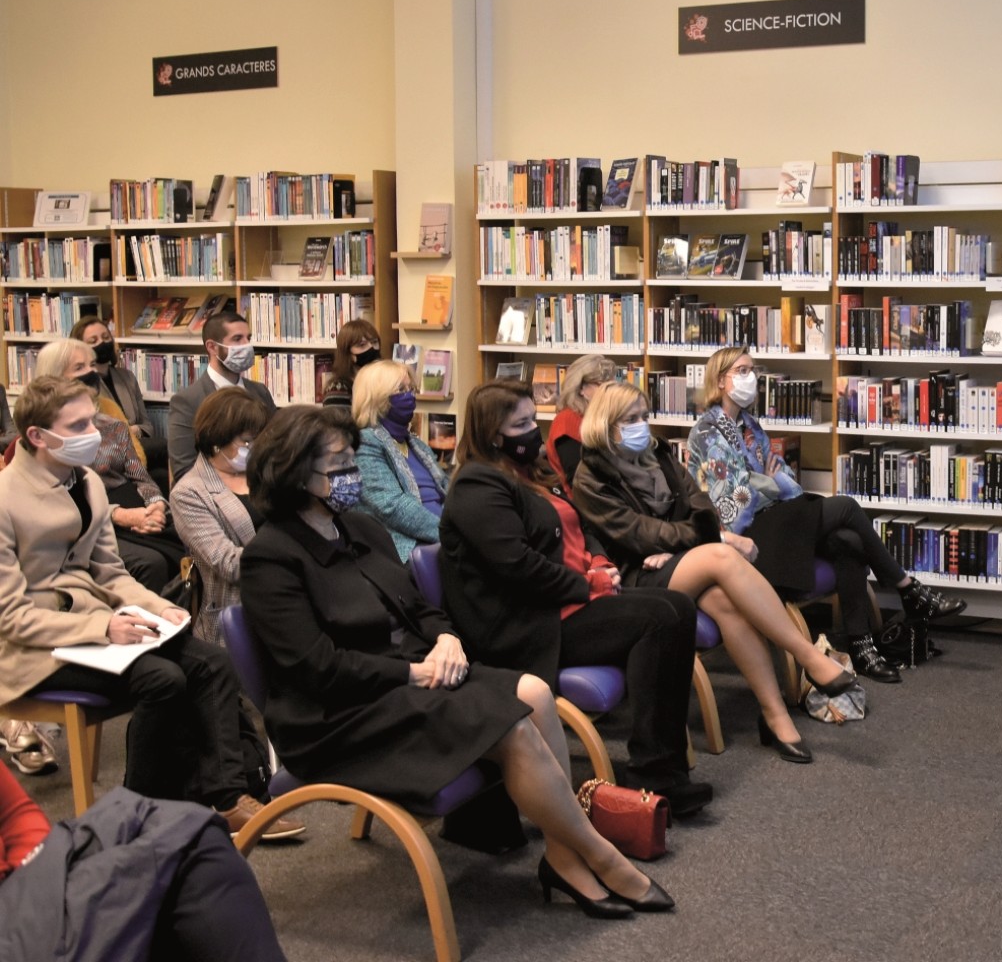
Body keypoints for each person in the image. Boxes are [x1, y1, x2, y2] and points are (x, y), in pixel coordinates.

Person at [239, 404, 672, 916]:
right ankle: (600, 856)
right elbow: (316, 667)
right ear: (295, 474)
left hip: (403, 678)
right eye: (338, 466)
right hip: (337, 717)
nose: (351, 474)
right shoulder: (271, 557)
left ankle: (562, 856)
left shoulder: (359, 528)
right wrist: (413, 671)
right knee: (510, 728)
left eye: (352, 461)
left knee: (533, 691)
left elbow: (420, 607)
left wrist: (446, 640)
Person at [0, 376, 300, 839]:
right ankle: (133, 815)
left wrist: (161, 608)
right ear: (37, 437)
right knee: (164, 679)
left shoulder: (87, 484)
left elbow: (111, 572)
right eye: (78, 425)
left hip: (94, 624)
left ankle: (226, 799)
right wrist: (104, 627)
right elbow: (11, 617)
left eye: (92, 421)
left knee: (213, 661)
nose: (93, 434)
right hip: (33, 648)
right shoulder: (5, 498)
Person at [439, 381, 711, 812]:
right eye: (522, 424)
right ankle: (658, 773)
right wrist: (587, 585)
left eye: (534, 420)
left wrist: (600, 562)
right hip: (531, 623)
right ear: (493, 434)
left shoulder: (535, 474)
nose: (534, 432)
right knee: (661, 617)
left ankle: (661, 768)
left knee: (675, 607)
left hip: (569, 603)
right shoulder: (477, 486)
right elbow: (517, 567)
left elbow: (584, 528)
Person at [571, 383, 856, 764]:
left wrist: (686, 541)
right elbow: (638, 535)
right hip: (635, 575)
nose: (642, 425)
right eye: (631, 419)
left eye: (644, 416)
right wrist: (693, 541)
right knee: (722, 558)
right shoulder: (590, 477)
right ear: (607, 425)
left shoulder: (657, 454)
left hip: (678, 559)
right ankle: (809, 657)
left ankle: (775, 716)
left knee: (724, 601)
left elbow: (701, 504)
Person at [687, 347, 967, 683]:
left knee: (845, 540)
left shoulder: (749, 425)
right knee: (845, 506)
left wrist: (769, 481)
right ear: (720, 380)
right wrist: (771, 481)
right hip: (747, 537)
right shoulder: (707, 432)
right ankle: (909, 590)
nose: (753, 377)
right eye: (744, 370)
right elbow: (735, 501)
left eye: (753, 369)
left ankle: (861, 648)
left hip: (776, 518)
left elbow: (782, 481)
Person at [0, 764, 288, 962]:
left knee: (192, 838)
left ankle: (225, 796)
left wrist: (36, 872)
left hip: (32, 880)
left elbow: (14, 813)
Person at [35, 338, 184, 593]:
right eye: (79, 367)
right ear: (55, 377)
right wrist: (121, 516)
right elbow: (60, 498)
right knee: (152, 563)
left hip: (135, 506)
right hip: (88, 521)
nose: (90, 373)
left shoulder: (112, 423)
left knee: (187, 540)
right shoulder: (47, 436)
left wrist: (156, 505)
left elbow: (140, 475)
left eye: (92, 364)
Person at [169, 387, 272, 644]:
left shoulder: (264, 472)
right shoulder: (190, 492)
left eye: (258, 439)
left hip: (285, 596)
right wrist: (290, 555)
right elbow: (227, 563)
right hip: (236, 611)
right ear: (217, 439)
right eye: (247, 441)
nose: (255, 447)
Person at [351, 359, 450, 562]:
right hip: (408, 547)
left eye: (411, 388)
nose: (410, 395)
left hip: (444, 537)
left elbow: (446, 490)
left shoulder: (415, 444)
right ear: (376, 397)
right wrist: (451, 535)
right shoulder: (365, 443)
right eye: (400, 390)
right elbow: (393, 507)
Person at [167, 311, 277, 486]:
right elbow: (184, 469)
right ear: (212, 347)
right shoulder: (187, 401)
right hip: (214, 496)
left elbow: (276, 448)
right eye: (237, 339)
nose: (246, 345)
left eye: (248, 338)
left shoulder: (260, 392)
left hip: (263, 490)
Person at [71, 314, 169, 484]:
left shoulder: (127, 377)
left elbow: (147, 426)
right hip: (109, 449)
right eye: (93, 340)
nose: (102, 343)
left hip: (136, 442)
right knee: (163, 446)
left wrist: (135, 430)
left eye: (106, 337)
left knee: (162, 474)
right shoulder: (84, 383)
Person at [546, 354, 616, 486]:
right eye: (601, 384)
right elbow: (579, 481)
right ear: (580, 388)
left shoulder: (599, 417)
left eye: (611, 384)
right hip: (583, 500)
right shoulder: (567, 420)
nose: (610, 391)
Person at [320, 318, 383, 409]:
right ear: (348, 353)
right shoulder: (338, 389)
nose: (371, 348)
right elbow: (339, 421)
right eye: (362, 345)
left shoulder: (384, 381)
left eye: (374, 342)